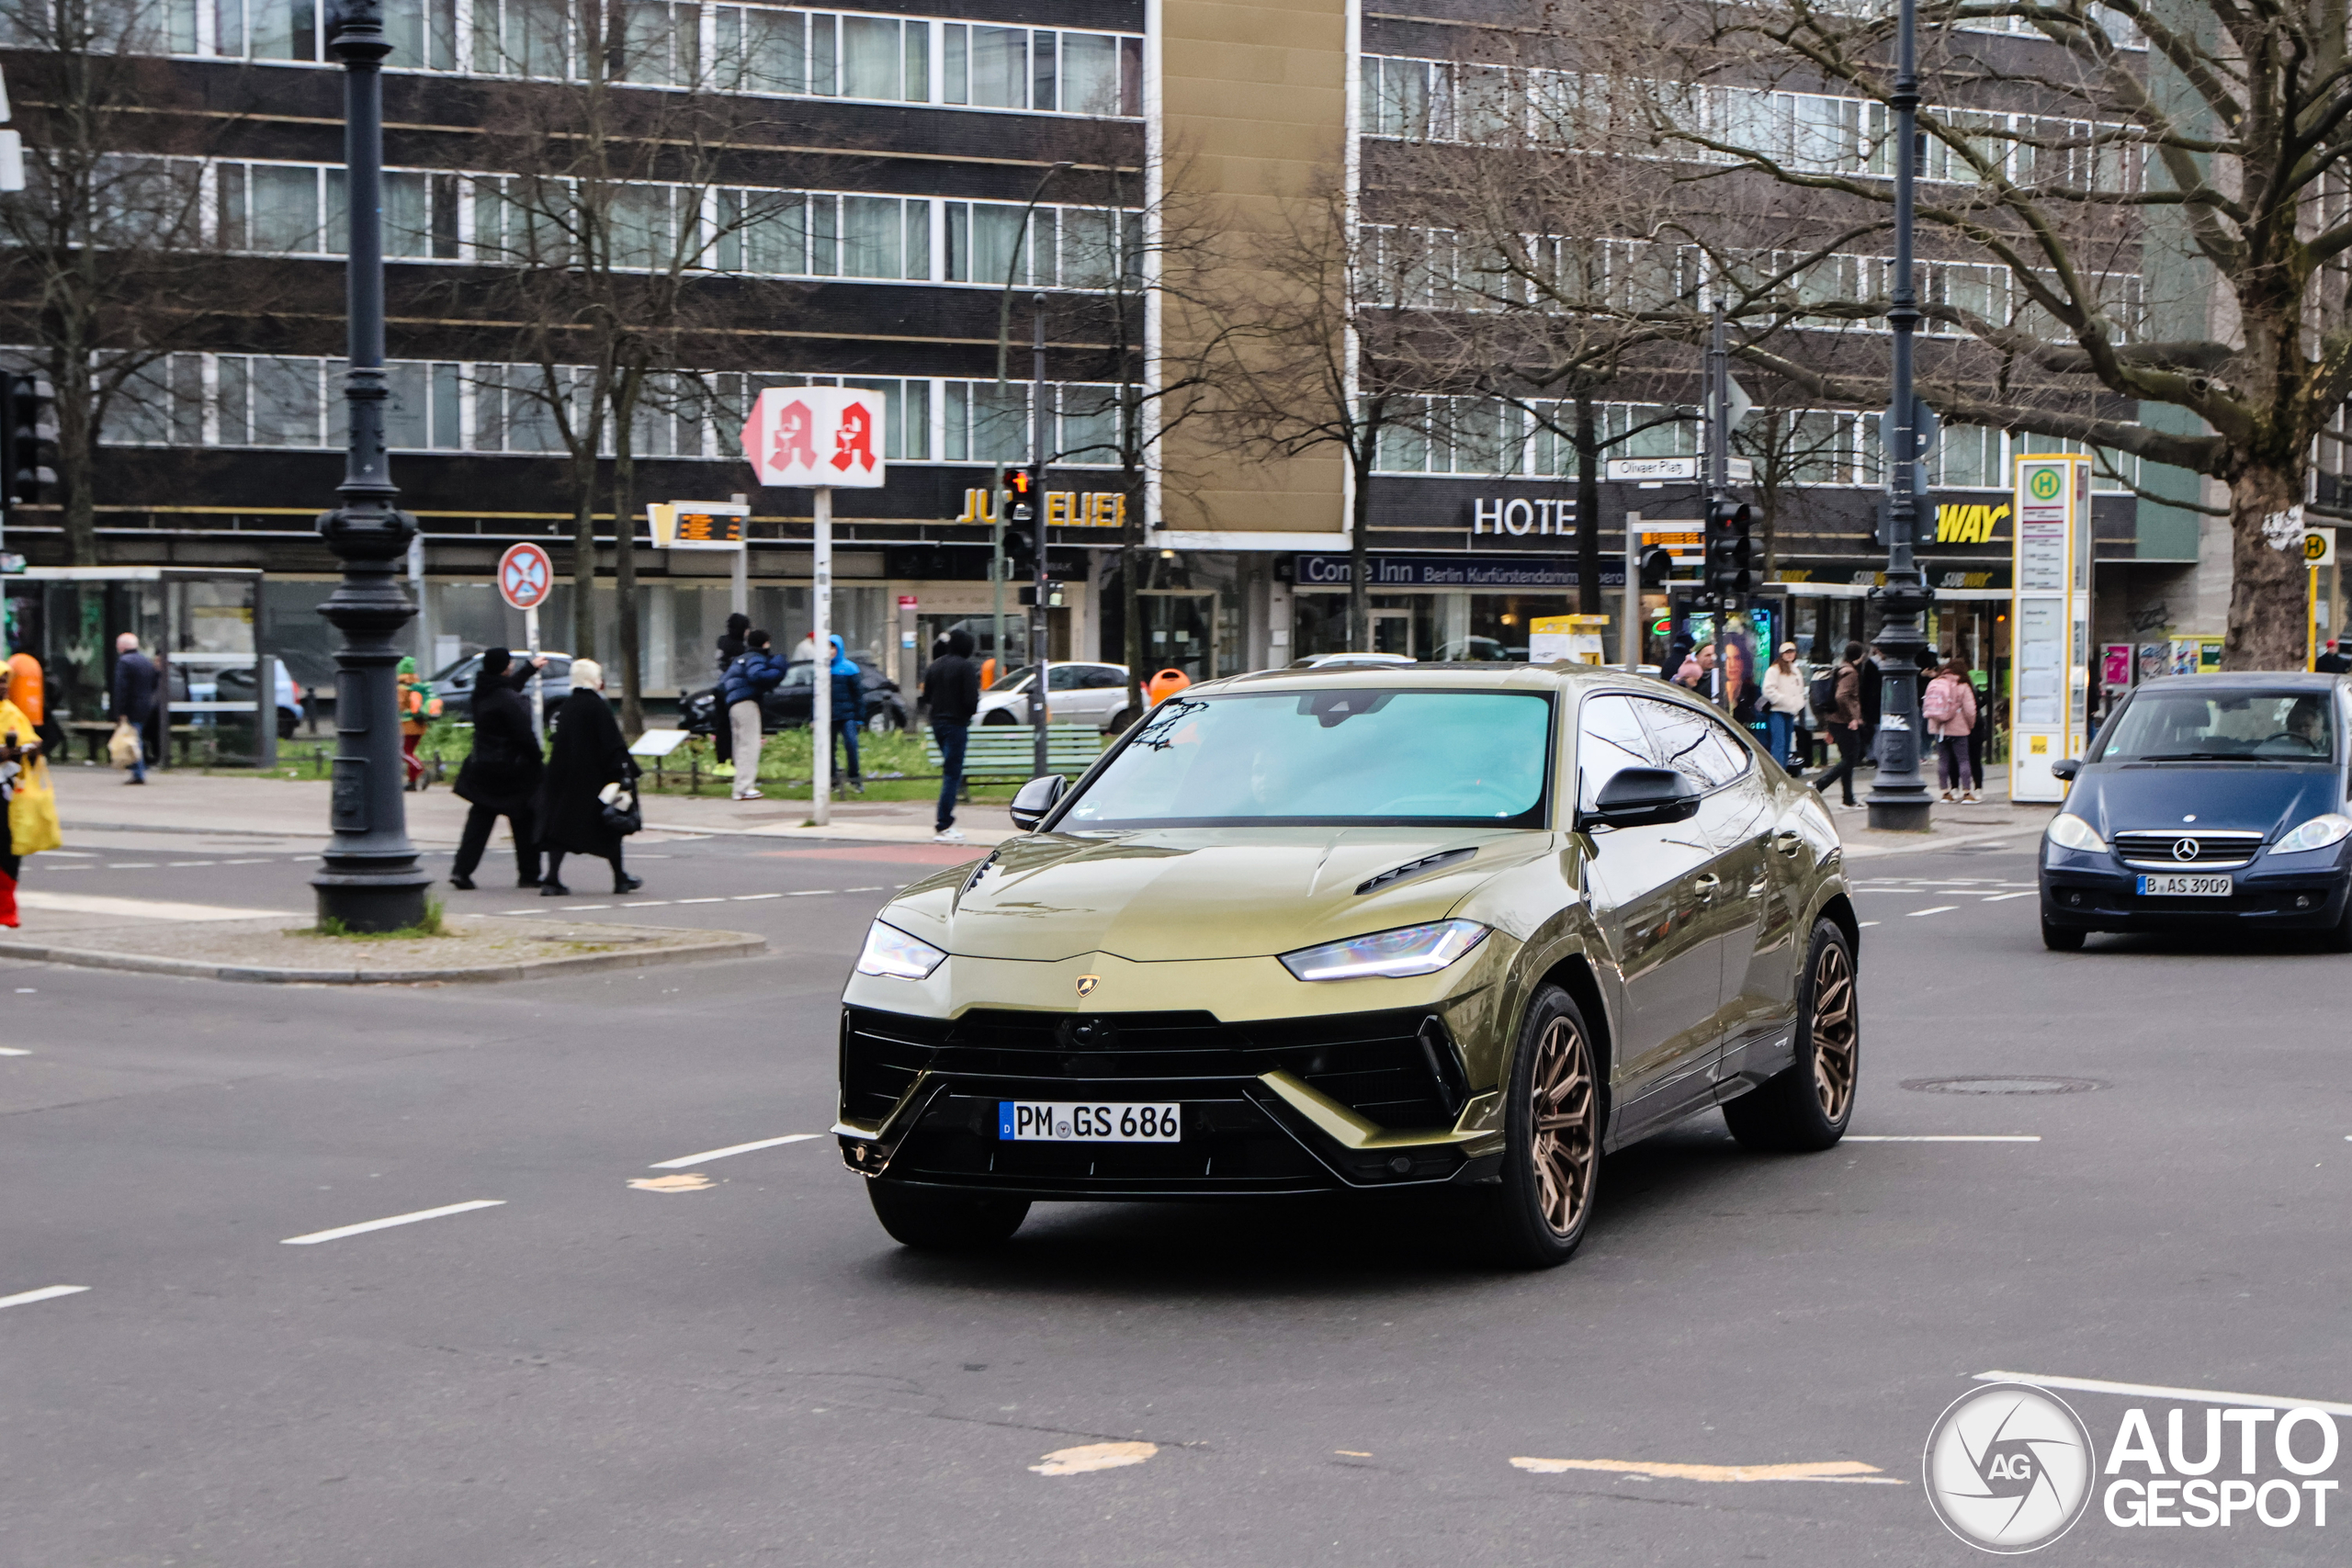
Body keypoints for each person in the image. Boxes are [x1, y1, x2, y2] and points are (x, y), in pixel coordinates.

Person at [533, 660, 639, 897]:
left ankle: (552, 879)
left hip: (564, 780)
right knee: (609, 827)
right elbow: (612, 744)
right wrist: (624, 773)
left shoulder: (568, 706)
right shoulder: (597, 707)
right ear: (594, 680)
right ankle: (620, 878)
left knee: (559, 830)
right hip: (594, 780)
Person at [448, 647, 547, 890]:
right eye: (510, 664)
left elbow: (507, 686)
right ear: (504, 668)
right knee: (524, 819)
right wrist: (538, 758)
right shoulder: (510, 701)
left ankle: (462, 870)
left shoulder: (482, 692)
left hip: (483, 766)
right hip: (513, 770)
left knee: (479, 821)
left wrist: (530, 669)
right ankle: (529, 873)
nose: (512, 666)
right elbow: (525, 735)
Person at [922, 626, 980, 843]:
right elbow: (971, 701)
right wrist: (967, 712)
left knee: (950, 771)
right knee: (952, 773)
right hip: (956, 724)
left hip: (937, 722)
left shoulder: (935, 666)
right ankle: (944, 823)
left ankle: (945, 821)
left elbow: (926, 696)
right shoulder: (966, 668)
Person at [0, 662, 48, 927]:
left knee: (8, 849)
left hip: (7, 792)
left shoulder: (12, 712)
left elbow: (30, 740)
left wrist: (31, 747)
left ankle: (6, 910)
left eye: (6, 681)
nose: (4, 687)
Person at [719, 630, 784, 801]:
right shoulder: (755, 657)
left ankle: (739, 788)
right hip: (747, 703)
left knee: (740, 746)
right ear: (765, 643)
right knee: (750, 745)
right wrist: (777, 669)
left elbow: (724, 682)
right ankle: (745, 787)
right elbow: (757, 675)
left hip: (733, 704)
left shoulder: (741, 658)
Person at [1812, 641, 1867, 807]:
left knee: (1847, 758)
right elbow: (1841, 696)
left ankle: (1848, 798)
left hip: (1835, 719)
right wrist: (1852, 718)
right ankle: (1820, 785)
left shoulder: (1840, 668)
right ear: (1859, 656)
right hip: (1845, 721)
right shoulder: (1851, 673)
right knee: (1852, 757)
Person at [1925, 657, 1981, 803]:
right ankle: (1967, 793)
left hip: (1939, 728)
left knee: (1943, 760)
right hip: (1958, 729)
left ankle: (1945, 793)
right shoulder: (1963, 686)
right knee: (1963, 760)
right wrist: (1970, 725)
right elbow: (1970, 710)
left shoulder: (1936, 682)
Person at [111, 632, 159, 784]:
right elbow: (154, 682)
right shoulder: (145, 661)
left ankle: (138, 772)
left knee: (133, 739)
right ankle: (139, 769)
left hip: (131, 707)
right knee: (136, 737)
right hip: (146, 705)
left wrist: (120, 711)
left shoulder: (124, 662)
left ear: (122, 646)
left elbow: (121, 689)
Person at [397, 656, 442, 790]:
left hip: (408, 725)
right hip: (420, 724)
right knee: (409, 751)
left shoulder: (402, 688)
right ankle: (412, 783)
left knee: (403, 753)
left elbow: (398, 706)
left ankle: (420, 770)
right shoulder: (417, 685)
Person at [829, 634, 866, 793]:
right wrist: (813, 717)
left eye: (833, 647)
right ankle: (832, 780)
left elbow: (858, 695)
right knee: (828, 749)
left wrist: (859, 718)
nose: (830, 651)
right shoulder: (821, 668)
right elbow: (815, 696)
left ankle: (855, 778)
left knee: (851, 744)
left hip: (848, 715)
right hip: (828, 716)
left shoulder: (850, 668)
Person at [1760, 642, 1808, 767]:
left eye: (1792, 652)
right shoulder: (1774, 670)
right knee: (1779, 744)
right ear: (1781, 654)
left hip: (1790, 711)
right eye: (1787, 652)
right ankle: (1778, 773)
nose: (1790, 655)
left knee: (1787, 744)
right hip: (1777, 711)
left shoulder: (1795, 670)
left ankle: (1784, 771)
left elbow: (1799, 690)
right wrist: (1784, 700)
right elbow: (1768, 690)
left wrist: (1798, 704)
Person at [1857, 643, 1884, 766]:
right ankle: (1874, 755)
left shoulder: (1871, 663)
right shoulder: (1872, 664)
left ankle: (1873, 755)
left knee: (1875, 729)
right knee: (1876, 730)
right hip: (1875, 702)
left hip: (1874, 702)